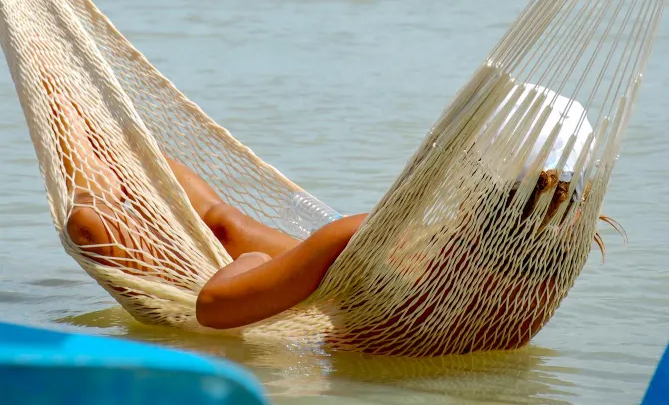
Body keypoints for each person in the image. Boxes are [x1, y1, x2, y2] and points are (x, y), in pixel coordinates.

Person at [49, 76, 615, 337]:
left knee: (95, 224)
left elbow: (214, 309)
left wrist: (251, 265)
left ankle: (71, 104)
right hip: (372, 298)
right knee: (222, 224)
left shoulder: (363, 240)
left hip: (331, 304)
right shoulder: (553, 267)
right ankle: (97, 127)